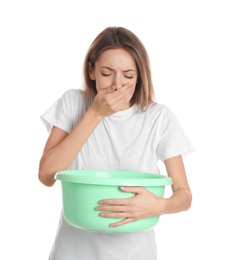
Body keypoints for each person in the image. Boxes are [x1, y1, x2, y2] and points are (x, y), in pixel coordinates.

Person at [38, 26, 194, 260]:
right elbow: (46, 175)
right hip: (72, 252)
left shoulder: (158, 117)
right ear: (91, 71)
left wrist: (157, 206)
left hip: (135, 253)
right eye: (107, 73)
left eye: (128, 75)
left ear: (140, 75)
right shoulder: (73, 103)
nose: (118, 84)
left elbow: (184, 195)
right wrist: (95, 114)